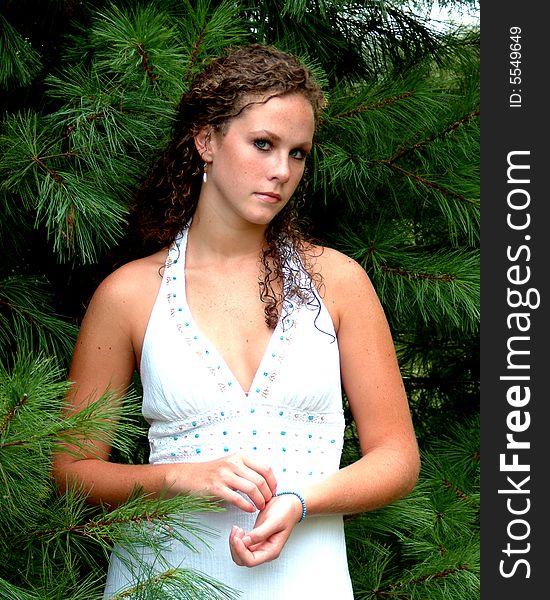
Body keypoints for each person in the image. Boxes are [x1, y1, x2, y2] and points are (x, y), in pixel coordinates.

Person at [52, 44, 420, 599]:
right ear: (206, 140)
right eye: (263, 144)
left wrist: (301, 500)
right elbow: (69, 470)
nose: (281, 171)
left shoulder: (338, 283)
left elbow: (397, 457)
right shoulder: (128, 294)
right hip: (162, 581)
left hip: (308, 580)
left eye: (298, 154)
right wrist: (178, 478)